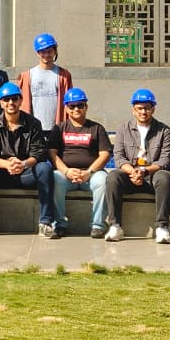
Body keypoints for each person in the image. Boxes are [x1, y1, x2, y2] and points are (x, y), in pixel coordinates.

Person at [0, 82, 57, 238]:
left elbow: (39, 152)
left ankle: (45, 223)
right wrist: (6, 164)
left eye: (14, 99)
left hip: (25, 173)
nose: (10, 103)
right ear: (1, 103)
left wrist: (23, 164)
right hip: (0, 173)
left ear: (21, 100)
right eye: (6, 99)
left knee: (45, 169)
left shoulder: (33, 124)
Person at [103, 89, 170, 243]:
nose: (143, 112)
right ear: (133, 109)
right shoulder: (123, 129)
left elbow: (165, 160)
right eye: (140, 108)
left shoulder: (164, 130)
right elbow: (119, 157)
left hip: (152, 175)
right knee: (112, 177)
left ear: (153, 109)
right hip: (130, 175)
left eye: (147, 108)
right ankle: (115, 226)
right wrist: (133, 171)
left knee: (165, 178)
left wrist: (144, 171)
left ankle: (162, 227)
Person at [48, 88, 112, 238]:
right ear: (66, 108)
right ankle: (59, 224)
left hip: (91, 174)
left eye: (80, 105)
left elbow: (105, 154)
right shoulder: (59, 128)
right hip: (66, 175)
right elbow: (52, 153)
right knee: (54, 178)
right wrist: (66, 171)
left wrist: (88, 172)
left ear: (86, 106)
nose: (76, 109)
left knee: (103, 180)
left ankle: (97, 225)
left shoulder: (97, 128)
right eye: (72, 106)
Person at [15, 33, 73, 131]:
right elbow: (20, 104)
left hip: (57, 129)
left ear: (55, 51)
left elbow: (70, 103)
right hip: (33, 129)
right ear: (37, 53)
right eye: (43, 52)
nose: (46, 55)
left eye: (49, 51)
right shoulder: (27, 76)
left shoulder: (64, 76)